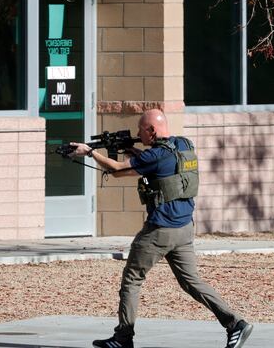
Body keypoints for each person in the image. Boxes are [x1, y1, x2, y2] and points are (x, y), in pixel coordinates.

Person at [68, 109, 253, 348]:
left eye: (140, 130)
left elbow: (116, 170)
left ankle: (123, 339)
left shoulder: (154, 156)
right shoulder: (184, 144)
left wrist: (90, 152)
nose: (137, 133)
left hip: (160, 230)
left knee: (132, 279)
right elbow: (161, 166)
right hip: (184, 228)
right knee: (192, 282)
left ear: (152, 131)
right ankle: (236, 324)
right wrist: (137, 154)